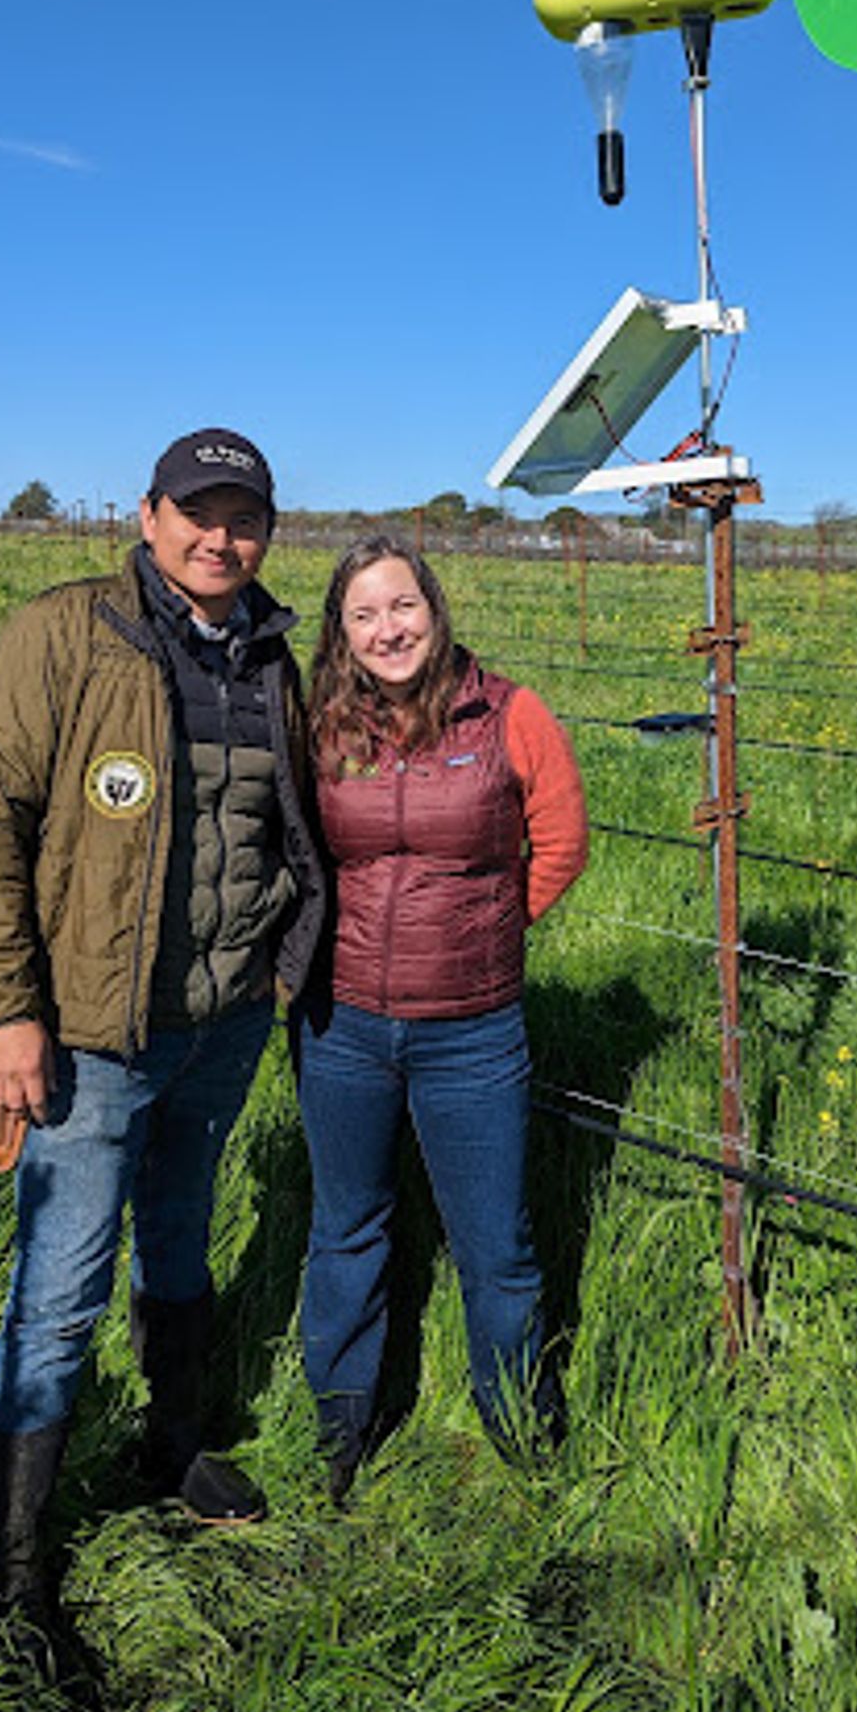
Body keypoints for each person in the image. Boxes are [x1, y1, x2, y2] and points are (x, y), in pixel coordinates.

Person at [0, 426, 326, 1627]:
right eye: (197, 512)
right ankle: (2, 1564)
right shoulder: (66, 633)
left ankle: (172, 1444)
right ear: (147, 516)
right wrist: (7, 1011)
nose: (221, 537)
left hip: (218, 1024)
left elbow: (280, 831)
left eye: (243, 517)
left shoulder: (270, 655)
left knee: (181, 1234)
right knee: (60, 1286)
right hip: (89, 1034)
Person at [295, 535, 587, 1498]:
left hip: (473, 1031)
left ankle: (518, 1426)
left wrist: (489, 932)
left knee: (495, 1246)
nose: (389, 630)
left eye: (403, 606)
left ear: (436, 608)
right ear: (342, 633)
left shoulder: (509, 714)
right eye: (364, 615)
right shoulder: (323, 725)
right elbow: (295, 852)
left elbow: (562, 842)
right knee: (347, 1230)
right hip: (341, 1027)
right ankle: (341, 1422)